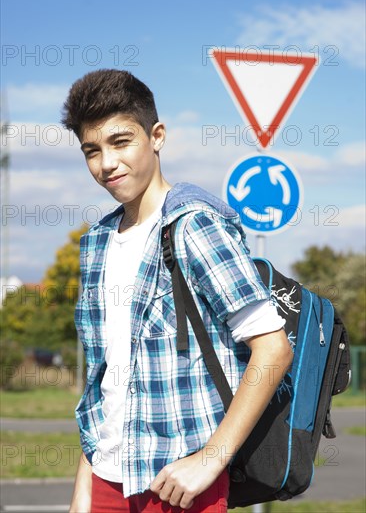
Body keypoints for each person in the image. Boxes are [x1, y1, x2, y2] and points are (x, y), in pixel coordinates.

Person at [62, 69, 293, 513]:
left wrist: (210, 460)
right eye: (92, 151)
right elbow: (104, 379)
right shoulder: (96, 243)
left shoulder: (194, 225)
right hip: (106, 481)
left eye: (120, 142)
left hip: (179, 484)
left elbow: (273, 350)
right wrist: (83, 490)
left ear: (157, 136)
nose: (106, 163)